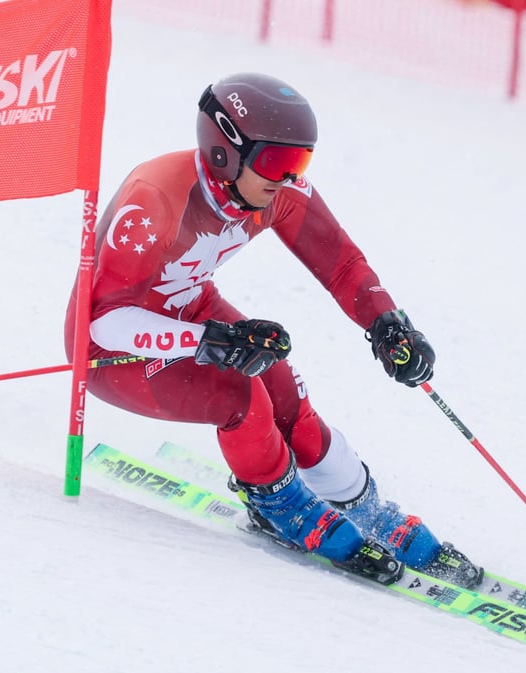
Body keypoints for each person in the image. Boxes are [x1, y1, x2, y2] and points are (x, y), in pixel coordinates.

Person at [65, 72, 482, 588]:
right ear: (225, 150)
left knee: (285, 391)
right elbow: (103, 321)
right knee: (240, 395)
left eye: (299, 162)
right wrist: (209, 341)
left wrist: (387, 323)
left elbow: (341, 265)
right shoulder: (154, 198)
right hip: (113, 352)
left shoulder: (273, 191)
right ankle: (277, 506)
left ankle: (366, 509)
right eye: (275, 162)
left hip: (191, 310)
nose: (286, 178)